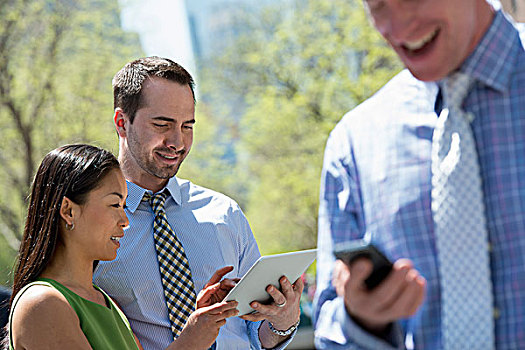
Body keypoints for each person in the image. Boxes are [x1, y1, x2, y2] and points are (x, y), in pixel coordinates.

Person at [314, 0, 525, 349]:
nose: (398, 26)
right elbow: (329, 330)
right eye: (378, 5)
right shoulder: (353, 143)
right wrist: (363, 320)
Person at [93, 56, 303, 350]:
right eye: (162, 124)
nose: (177, 142)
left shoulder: (224, 213)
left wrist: (283, 321)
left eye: (187, 126)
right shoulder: (92, 226)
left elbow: (256, 335)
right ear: (122, 123)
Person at [6, 144, 238, 349]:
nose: (125, 220)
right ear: (69, 211)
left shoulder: (106, 302)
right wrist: (190, 342)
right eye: (115, 204)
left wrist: (198, 323)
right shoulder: (43, 304)